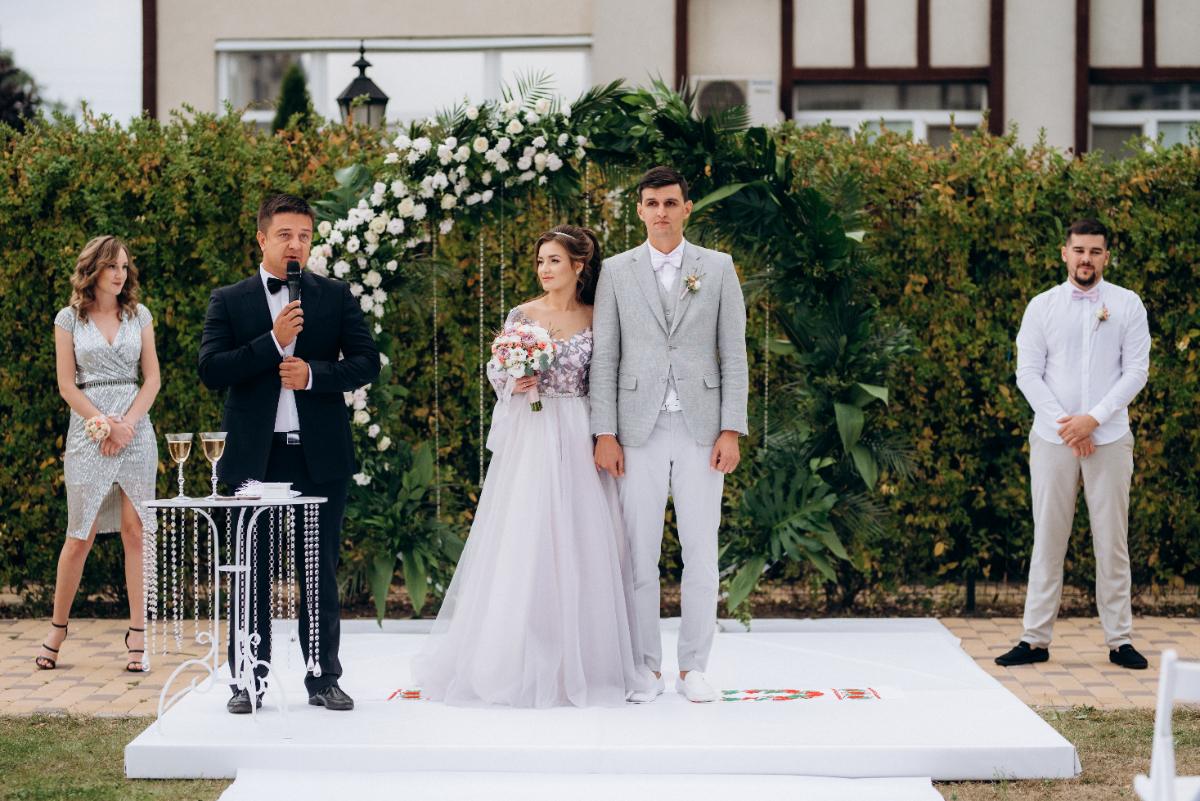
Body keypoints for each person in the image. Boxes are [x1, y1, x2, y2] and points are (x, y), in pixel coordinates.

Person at [412, 225, 657, 708]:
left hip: (580, 429)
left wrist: (607, 435)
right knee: (527, 539)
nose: (544, 269)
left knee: (584, 542)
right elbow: (498, 370)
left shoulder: (597, 317)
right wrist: (513, 381)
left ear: (578, 267)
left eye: (554, 261)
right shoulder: (522, 315)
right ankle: (515, 659)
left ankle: (585, 662)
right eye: (541, 261)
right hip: (534, 434)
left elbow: (607, 377)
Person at [198, 193, 380, 713]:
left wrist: (314, 375)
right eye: (285, 235)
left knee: (318, 568)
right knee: (249, 569)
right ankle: (246, 682)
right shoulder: (229, 300)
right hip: (254, 458)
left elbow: (367, 363)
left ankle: (323, 679)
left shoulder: (335, 295)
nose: (295, 243)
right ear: (262, 238)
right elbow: (211, 369)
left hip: (319, 456)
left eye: (303, 234)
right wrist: (273, 345)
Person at [591, 166, 749, 703]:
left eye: (670, 202)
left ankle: (694, 667)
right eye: (651, 203)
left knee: (701, 552)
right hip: (638, 430)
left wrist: (731, 429)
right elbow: (606, 357)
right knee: (638, 553)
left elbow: (734, 353)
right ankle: (645, 667)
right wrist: (604, 431)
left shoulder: (719, 268)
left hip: (703, 429)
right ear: (639, 210)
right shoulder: (616, 271)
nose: (661, 211)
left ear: (688, 208)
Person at [996, 218, 1151, 670]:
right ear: (1064, 253)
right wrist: (1067, 425)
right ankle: (1034, 639)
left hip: (1110, 438)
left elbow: (1136, 371)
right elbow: (1028, 372)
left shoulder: (1128, 304)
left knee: (1112, 541)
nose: (1086, 259)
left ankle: (1120, 640)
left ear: (1107, 256)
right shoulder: (1041, 306)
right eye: (1079, 250)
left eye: (1095, 251)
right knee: (1048, 537)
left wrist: (1093, 420)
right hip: (1052, 438)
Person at [37, 236, 160, 673]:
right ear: (93, 269)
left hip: (137, 430)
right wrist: (104, 424)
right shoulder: (68, 319)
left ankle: (138, 633)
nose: (120, 274)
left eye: (125, 267)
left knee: (136, 532)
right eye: (113, 266)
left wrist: (126, 425)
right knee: (79, 535)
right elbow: (67, 385)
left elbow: (153, 380)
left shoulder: (139, 315)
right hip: (88, 430)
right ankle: (57, 628)